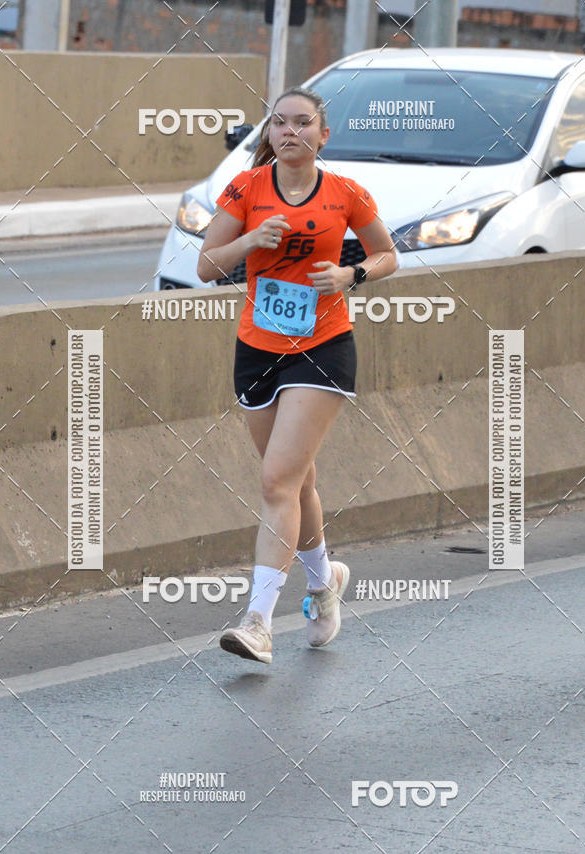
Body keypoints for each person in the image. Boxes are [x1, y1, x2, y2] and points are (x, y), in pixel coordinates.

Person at [197, 86, 397, 664]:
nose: (290, 132)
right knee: (299, 483)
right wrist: (249, 241)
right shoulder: (246, 189)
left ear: (322, 135)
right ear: (269, 135)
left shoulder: (345, 193)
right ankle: (322, 580)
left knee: (276, 482)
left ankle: (257, 621)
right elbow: (206, 266)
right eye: (279, 124)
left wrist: (351, 275)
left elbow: (389, 255)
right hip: (258, 350)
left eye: (303, 123)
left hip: (324, 346)